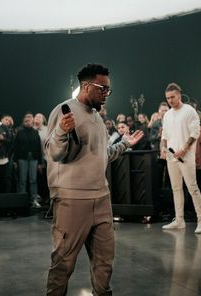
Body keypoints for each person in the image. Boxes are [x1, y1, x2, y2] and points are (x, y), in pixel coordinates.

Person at [45, 63, 143, 296]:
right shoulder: (64, 110)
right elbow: (54, 153)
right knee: (63, 264)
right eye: (103, 88)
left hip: (101, 198)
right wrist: (60, 132)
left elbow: (103, 156)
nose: (107, 94)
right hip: (71, 199)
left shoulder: (98, 118)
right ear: (87, 86)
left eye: (109, 89)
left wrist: (124, 145)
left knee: (104, 263)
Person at [161, 82, 201, 234]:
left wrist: (184, 149)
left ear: (179, 95)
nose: (170, 100)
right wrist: (163, 147)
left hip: (186, 157)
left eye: (172, 97)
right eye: (167, 98)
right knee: (176, 189)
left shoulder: (189, 111)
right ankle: (179, 219)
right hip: (171, 157)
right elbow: (164, 135)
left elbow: (195, 133)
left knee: (192, 188)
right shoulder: (167, 115)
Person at [13, 113, 42, 208]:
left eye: (29, 120)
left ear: (32, 121)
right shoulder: (19, 132)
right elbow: (15, 148)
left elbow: (39, 148)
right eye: (26, 120)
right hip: (22, 159)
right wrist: (15, 161)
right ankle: (22, 201)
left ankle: (34, 200)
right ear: (23, 122)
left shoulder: (35, 132)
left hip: (34, 159)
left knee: (33, 180)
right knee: (22, 180)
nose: (28, 121)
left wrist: (40, 163)